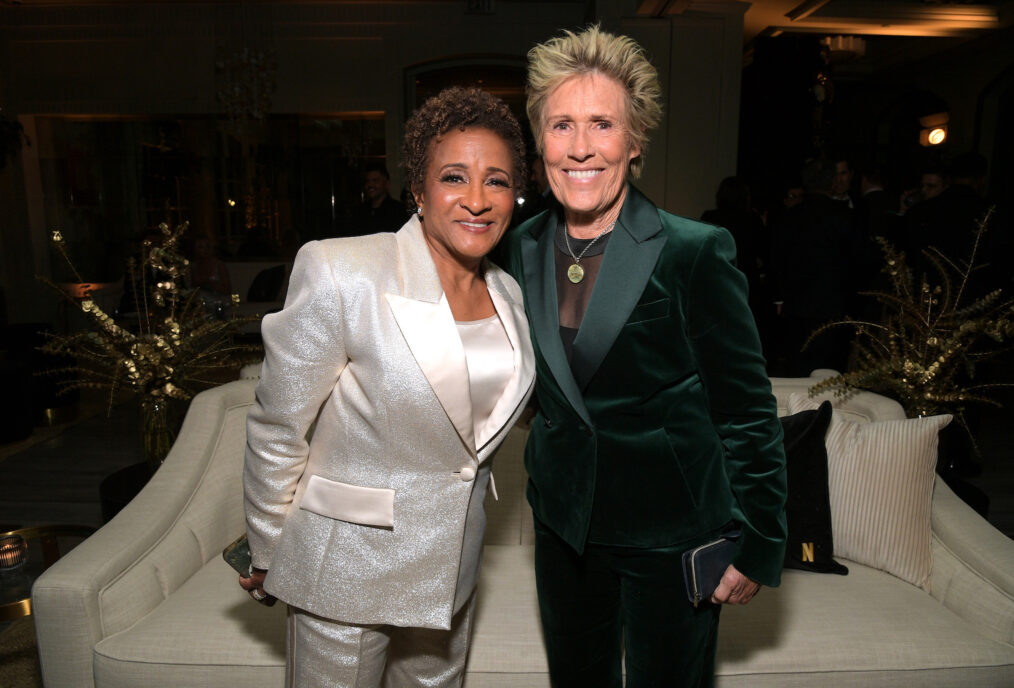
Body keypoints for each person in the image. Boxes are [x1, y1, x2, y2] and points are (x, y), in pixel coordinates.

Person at [503, 26, 787, 688]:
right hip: (564, 529)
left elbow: (746, 411)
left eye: (602, 124)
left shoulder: (693, 251)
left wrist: (756, 540)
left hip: (673, 532)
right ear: (539, 141)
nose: (580, 147)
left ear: (634, 143)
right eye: (562, 125)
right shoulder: (518, 247)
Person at [240, 86, 535, 687]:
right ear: (419, 192)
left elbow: (474, 428)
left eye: (497, 181)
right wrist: (269, 552)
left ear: (516, 196)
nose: (477, 199)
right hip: (345, 568)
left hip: (450, 574)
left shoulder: (510, 295)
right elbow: (278, 428)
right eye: (454, 176)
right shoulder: (341, 270)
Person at [347, 163, 410, 235]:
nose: (370, 185)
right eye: (367, 181)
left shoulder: (398, 211)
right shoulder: (359, 211)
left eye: (375, 180)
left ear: (387, 184)